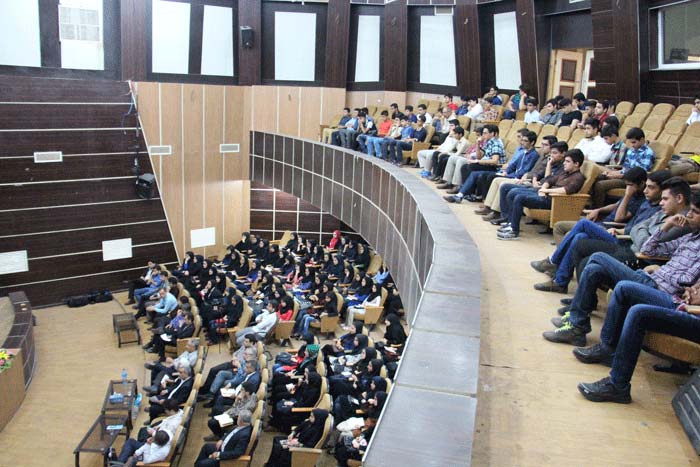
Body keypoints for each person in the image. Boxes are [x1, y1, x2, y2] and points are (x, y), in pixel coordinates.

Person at [542, 192, 700, 346]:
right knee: (594, 269)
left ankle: (575, 312)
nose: (689, 214)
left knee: (597, 256)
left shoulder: (684, 228)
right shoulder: (689, 237)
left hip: (655, 284)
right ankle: (577, 325)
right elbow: (646, 246)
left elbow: (684, 281)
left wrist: (659, 269)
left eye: (695, 212)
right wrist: (666, 225)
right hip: (647, 275)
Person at [530, 167, 656, 293]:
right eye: (626, 185)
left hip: (618, 238)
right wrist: (599, 210)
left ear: (641, 184)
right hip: (609, 228)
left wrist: (628, 195)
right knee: (579, 237)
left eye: (630, 185)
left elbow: (619, 218)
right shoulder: (639, 197)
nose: (628, 188)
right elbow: (617, 205)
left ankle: (553, 261)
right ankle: (561, 281)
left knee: (583, 223)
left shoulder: (640, 200)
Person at [576, 281, 700, 403]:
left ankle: (618, 385)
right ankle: (608, 349)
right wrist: (691, 289)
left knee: (638, 313)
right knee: (623, 288)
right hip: (683, 303)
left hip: (695, 316)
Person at [498, 149, 586, 240]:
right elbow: (549, 179)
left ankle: (514, 231)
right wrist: (543, 188)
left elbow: (566, 190)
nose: (564, 163)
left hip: (554, 201)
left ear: (576, 164)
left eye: (567, 161)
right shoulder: (565, 173)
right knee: (512, 192)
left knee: (519, 197)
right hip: (545, 194)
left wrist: (546, 191)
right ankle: (510, 223)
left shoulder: (578, 177)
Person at [592, 127, 656, 207]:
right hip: (624, 176)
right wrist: (612, 173)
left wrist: (619, 175)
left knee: (600, 185)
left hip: (632, 181)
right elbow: (625, 168)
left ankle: (598, 209)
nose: (632, 145)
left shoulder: (648, 153)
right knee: (598, 177)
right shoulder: (631, 151)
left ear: (642, 139)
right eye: (631, 143)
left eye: (634, 142)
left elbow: (642, 173)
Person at [264, 409, 329, 467]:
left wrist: (297, 443)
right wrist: (293, 433)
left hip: (300, 449)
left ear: (318, 419)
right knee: (276, 439)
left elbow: (309, 446)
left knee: (278, 446)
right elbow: (299, 426)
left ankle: (273, 464)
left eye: (312, 416)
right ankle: (271, 463)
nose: (309, 418)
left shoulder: (318, 432)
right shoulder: (310, 422)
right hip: (297, 440)